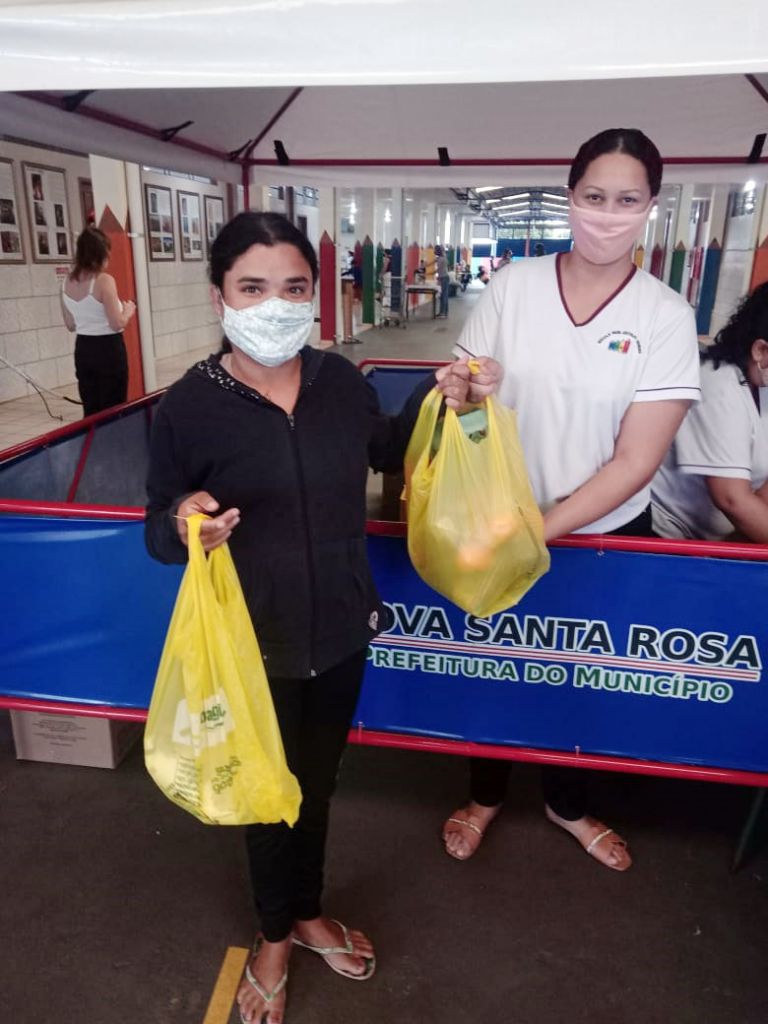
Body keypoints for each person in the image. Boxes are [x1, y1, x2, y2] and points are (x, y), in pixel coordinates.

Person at [143, 212, 478, 1024]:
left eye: (293, 288)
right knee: (267, 795)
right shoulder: (189, 407)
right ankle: (272, 936)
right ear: (219, 294)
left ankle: (306, 908)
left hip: (339, 628)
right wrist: (188, 518)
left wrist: (449, 402)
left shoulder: (338, 381)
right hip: (249, 643)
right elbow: (158, 526)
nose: (274, 304)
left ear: (315, 295)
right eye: (252, 287)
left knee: (317, 786)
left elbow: (388, 448)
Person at [443, 128, 701, 871]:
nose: (608, 215)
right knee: (493, 663)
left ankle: (569, 804)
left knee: (581, 675)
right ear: (570, 197)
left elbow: (634, 461)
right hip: (499, 519)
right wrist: (464, 395)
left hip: (605, 537)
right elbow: (464, 416)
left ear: (651, 206)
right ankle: (485, 794)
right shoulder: (512, 287)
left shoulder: (664, 315)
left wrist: (540, 532)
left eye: (627, 200)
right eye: (594, 197)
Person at [652, 282, 768, 542]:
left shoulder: (762, 385)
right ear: (760, 350)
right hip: (664, 538)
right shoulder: (718, 385)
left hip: (718, 540)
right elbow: (731, 499)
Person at [60, 226, 136, 417]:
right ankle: (111, 445)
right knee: (113, 408)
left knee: (91, 407)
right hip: (108, 349)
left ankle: (92, 445)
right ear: (101, 253)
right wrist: (128, 311)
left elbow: (70, 325)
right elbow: (116, 323)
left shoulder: (65, 282)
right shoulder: (103, 280)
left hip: (84, 348)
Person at [435, 243, 450, 317]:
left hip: (444, 278)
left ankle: (443, 313)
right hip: (443, 278)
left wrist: (428, 273)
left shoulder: (441, 259)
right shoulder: (442, 257)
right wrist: (426, 265)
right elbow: (433, 261)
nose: (434, 251)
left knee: (443, 296)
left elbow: (438, 269)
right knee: (443, 296)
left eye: (435, 250)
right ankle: (443, 312)